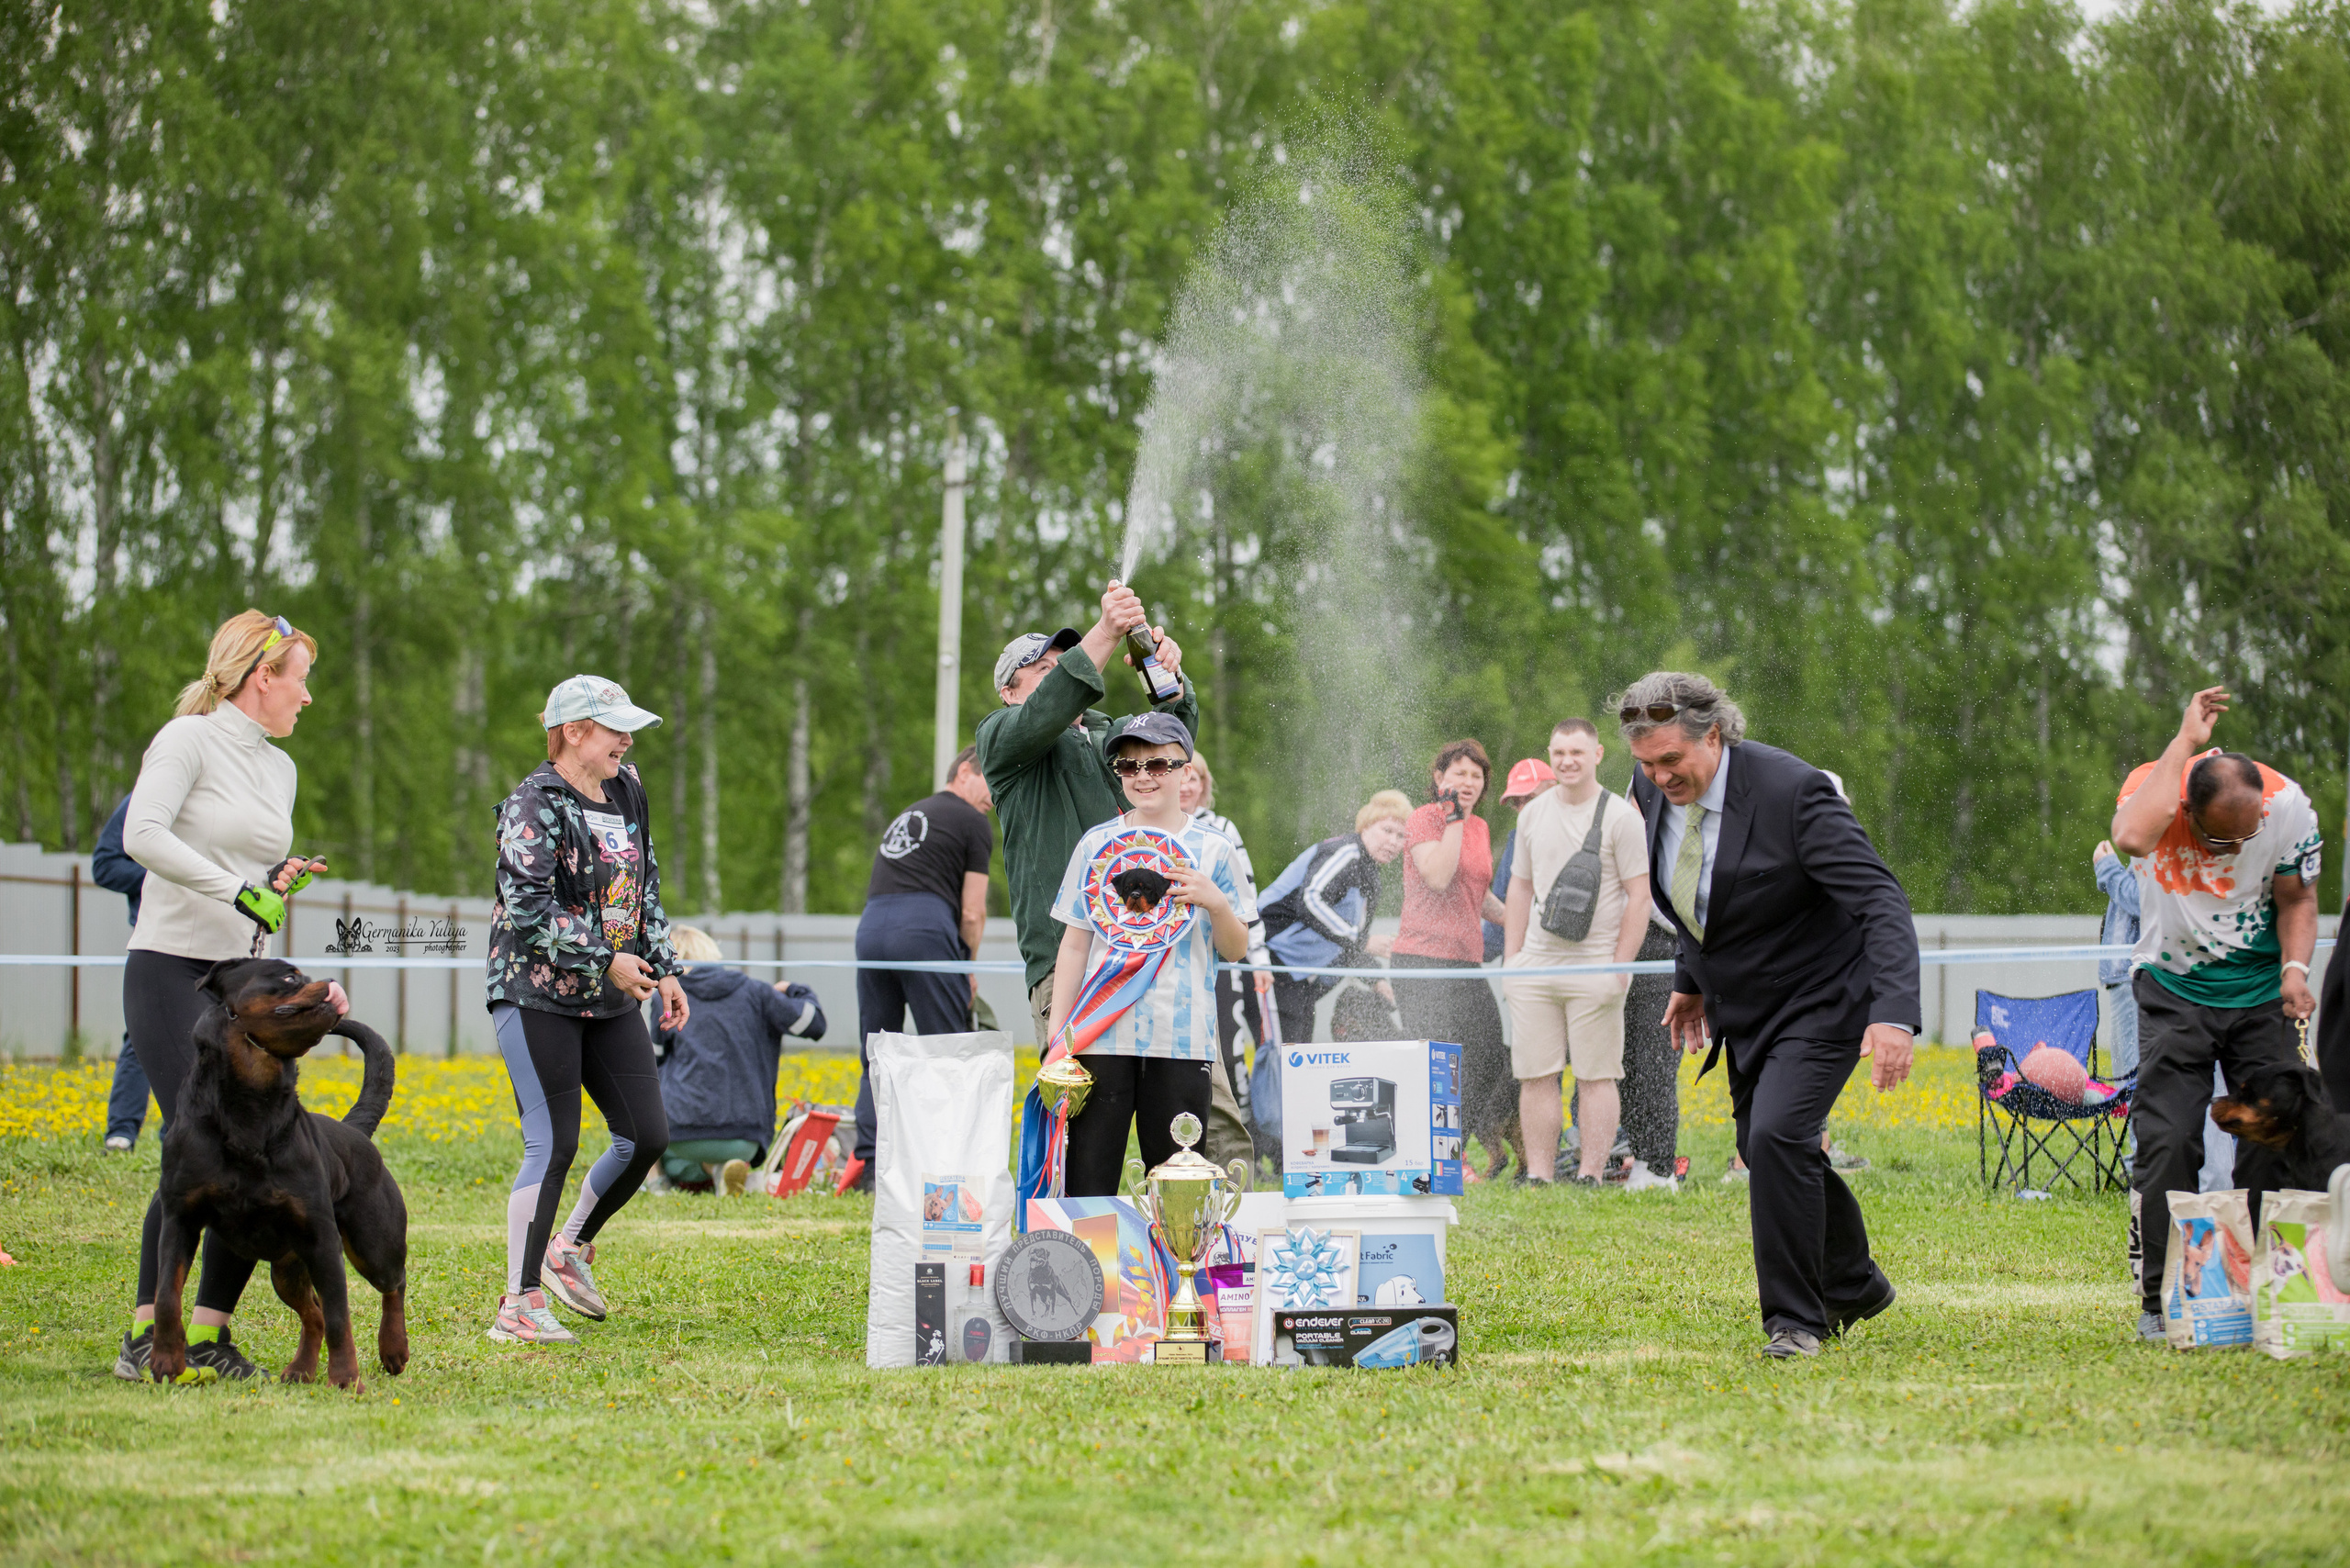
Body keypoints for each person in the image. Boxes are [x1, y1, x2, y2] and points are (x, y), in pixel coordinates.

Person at [1621, 671, 1919, 1359]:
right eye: (1647, 764)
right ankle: (1854, 1281)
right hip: (1745, 1003)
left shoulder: (1794, 791)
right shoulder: (1649, 789)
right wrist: (1690, 978)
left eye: (1673, 760)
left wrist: (1895, 1015)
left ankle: (1795, 1319)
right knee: (1765, 1145)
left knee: (1782, 1135)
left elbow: (1880, 900)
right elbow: (1696, 892)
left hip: (1822, 994)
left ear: (1715, 735)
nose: (1661, 776)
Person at [115, 610, 337, 1383]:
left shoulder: (279, 767)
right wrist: (236, 887)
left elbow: (244, 869)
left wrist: (273, 885)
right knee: (195, 1143)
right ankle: (149, 1333)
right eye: (300, 680)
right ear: (261, 677)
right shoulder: (187, 740)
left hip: (238, 980)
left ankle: (208, 1332)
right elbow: (141, 836)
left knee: (256, 1151)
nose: (307, 698)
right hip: (169, 968)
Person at [2109, 686, 2321, 1345]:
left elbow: (2298, 898)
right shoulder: (2155, 791)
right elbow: (2128, 837)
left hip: (2261, 995)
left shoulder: (2286, 808)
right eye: (2222, 838)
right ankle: (2159, 1300)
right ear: (2190, 814)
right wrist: (2183, 743)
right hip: (2174, 991)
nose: (2241, 845)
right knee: (2170, 1140)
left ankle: (2264, 1291)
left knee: (2274, 1138)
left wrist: (2294, 972)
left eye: (2249, 831)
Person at [485, 675, 690, 1348]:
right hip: (534, 991)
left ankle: (567, 1246)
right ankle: (517, 1304)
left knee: (647, 1136)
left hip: (609, 997)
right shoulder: (531, 805)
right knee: (555, 1145)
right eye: (614, 730)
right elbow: (527, 908)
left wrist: (663, 970)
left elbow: (644, 887)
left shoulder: (629, 789)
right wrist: (606, 959)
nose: (628, 741)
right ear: (573, 732)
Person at [975, 583, 1196, 1047]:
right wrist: (1106, 630)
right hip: (1067, 962)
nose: (1060, 676)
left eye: (1066, 665)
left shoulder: (1108, 733)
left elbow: (1174, 744)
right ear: (1008, 692)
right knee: (1084, 1113)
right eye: (1043, 670)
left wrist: (1168, 676)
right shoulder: (1001, 740)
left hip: (1151, 947)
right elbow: (1046, 711)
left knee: (1191, 1109)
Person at [1045, 713, 1254, 1193]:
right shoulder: (1096, 843)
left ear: (1185, 770)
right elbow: (1075, 944)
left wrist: (1215, 902)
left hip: (1181, 1040)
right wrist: (1059, 1043)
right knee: (1088, 1180)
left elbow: (1236, 948)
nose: (1142, 776)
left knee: (1176, 1186)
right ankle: (1091, 1268)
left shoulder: (1216, 850)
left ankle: (1170, 1270)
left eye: (1158, 764)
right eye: (1129, 765)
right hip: (1102, 1036)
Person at [1503, 720, 1654, 1187]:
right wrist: (1512, 962)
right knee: (1536, 1075)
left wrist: (1620, 967)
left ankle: (1590, 1173)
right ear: (1550, 755)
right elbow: (1520, 887)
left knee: (1595, 1076)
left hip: (1596, 968)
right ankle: (1540, 1175)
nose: (1567, 761)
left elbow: (1639, 895)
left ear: (1598, 754)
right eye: (1559, 753)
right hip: (1535, 969)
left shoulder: (1620, 818)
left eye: (1577, 752)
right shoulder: (1532, 814)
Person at [851, 745, 995, 1180]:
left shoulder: (910, 812)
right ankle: (948, 1164)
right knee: (948, 1050)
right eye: (993, 782)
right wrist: (966, 965)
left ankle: (872, 1166)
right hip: (924, 930)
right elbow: (972, 912)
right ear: (965, 771)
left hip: (872, 930)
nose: (996, 796)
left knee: (877, 1052)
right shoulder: (973, 822)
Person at [1391, 740, 1521, 1182]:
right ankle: (1431, 1155)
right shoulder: (1425, 818)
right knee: (1436, 1062)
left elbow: (1478, 893)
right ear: (1439, 778)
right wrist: (1453, 821)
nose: (1468, 781)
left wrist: (1521, 923)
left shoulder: (1481, 828)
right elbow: (1439, 875)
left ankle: (1450, 1148)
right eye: (1459, 772)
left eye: (1476, 775)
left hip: (1465, 961)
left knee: (1486, 1054)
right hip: (1420, 959)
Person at [653, 925, 826, 1193]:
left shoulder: (666, 998)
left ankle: (657, 1182)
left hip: (680, 1135)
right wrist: (794, 989)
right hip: (745, 1137)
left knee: (642, 1108)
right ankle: (728, 1171)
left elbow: (652, 1066)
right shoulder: (756, 993)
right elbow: (814, 1024)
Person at [1259, 790, 1412, 1048]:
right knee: (1282, 1058)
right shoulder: (1346, 853)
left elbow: (1348, 942)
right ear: (1366, 826)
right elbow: (1310, 901)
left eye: (1401, 836)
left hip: (1297, 977)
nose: (1394, 842)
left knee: (1300, 1056)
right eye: (1387, 830)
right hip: (1266, 958)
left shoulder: (1372, 877)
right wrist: (1362, 941)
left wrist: (1377, 979)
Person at [1177, 751, 1268, 1173]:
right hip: (1171, 964)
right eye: (1182, 775)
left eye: (1196, 776)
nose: (1188, 784)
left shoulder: (1222, 830)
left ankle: (1242, 1135)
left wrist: (1259, 960)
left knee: (1228, 1050)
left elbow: (1247, 902)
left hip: (1222, 960)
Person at [89, 794, 154, 1153]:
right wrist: (170, 876)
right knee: (143, 1034)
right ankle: (121, 1134)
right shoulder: (143, 800)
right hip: (157, 939)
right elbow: (105, 866)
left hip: (224, 940)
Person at [1482, 759, 1552, 961]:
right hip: (1522, 959)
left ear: (1553, 791)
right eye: (1516, 802)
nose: (1523, 809)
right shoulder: (1516, 839)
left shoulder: (1584, 833)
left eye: (1529, 798)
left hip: (1572, 959)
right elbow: (1503, 895)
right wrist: (1484, 949)